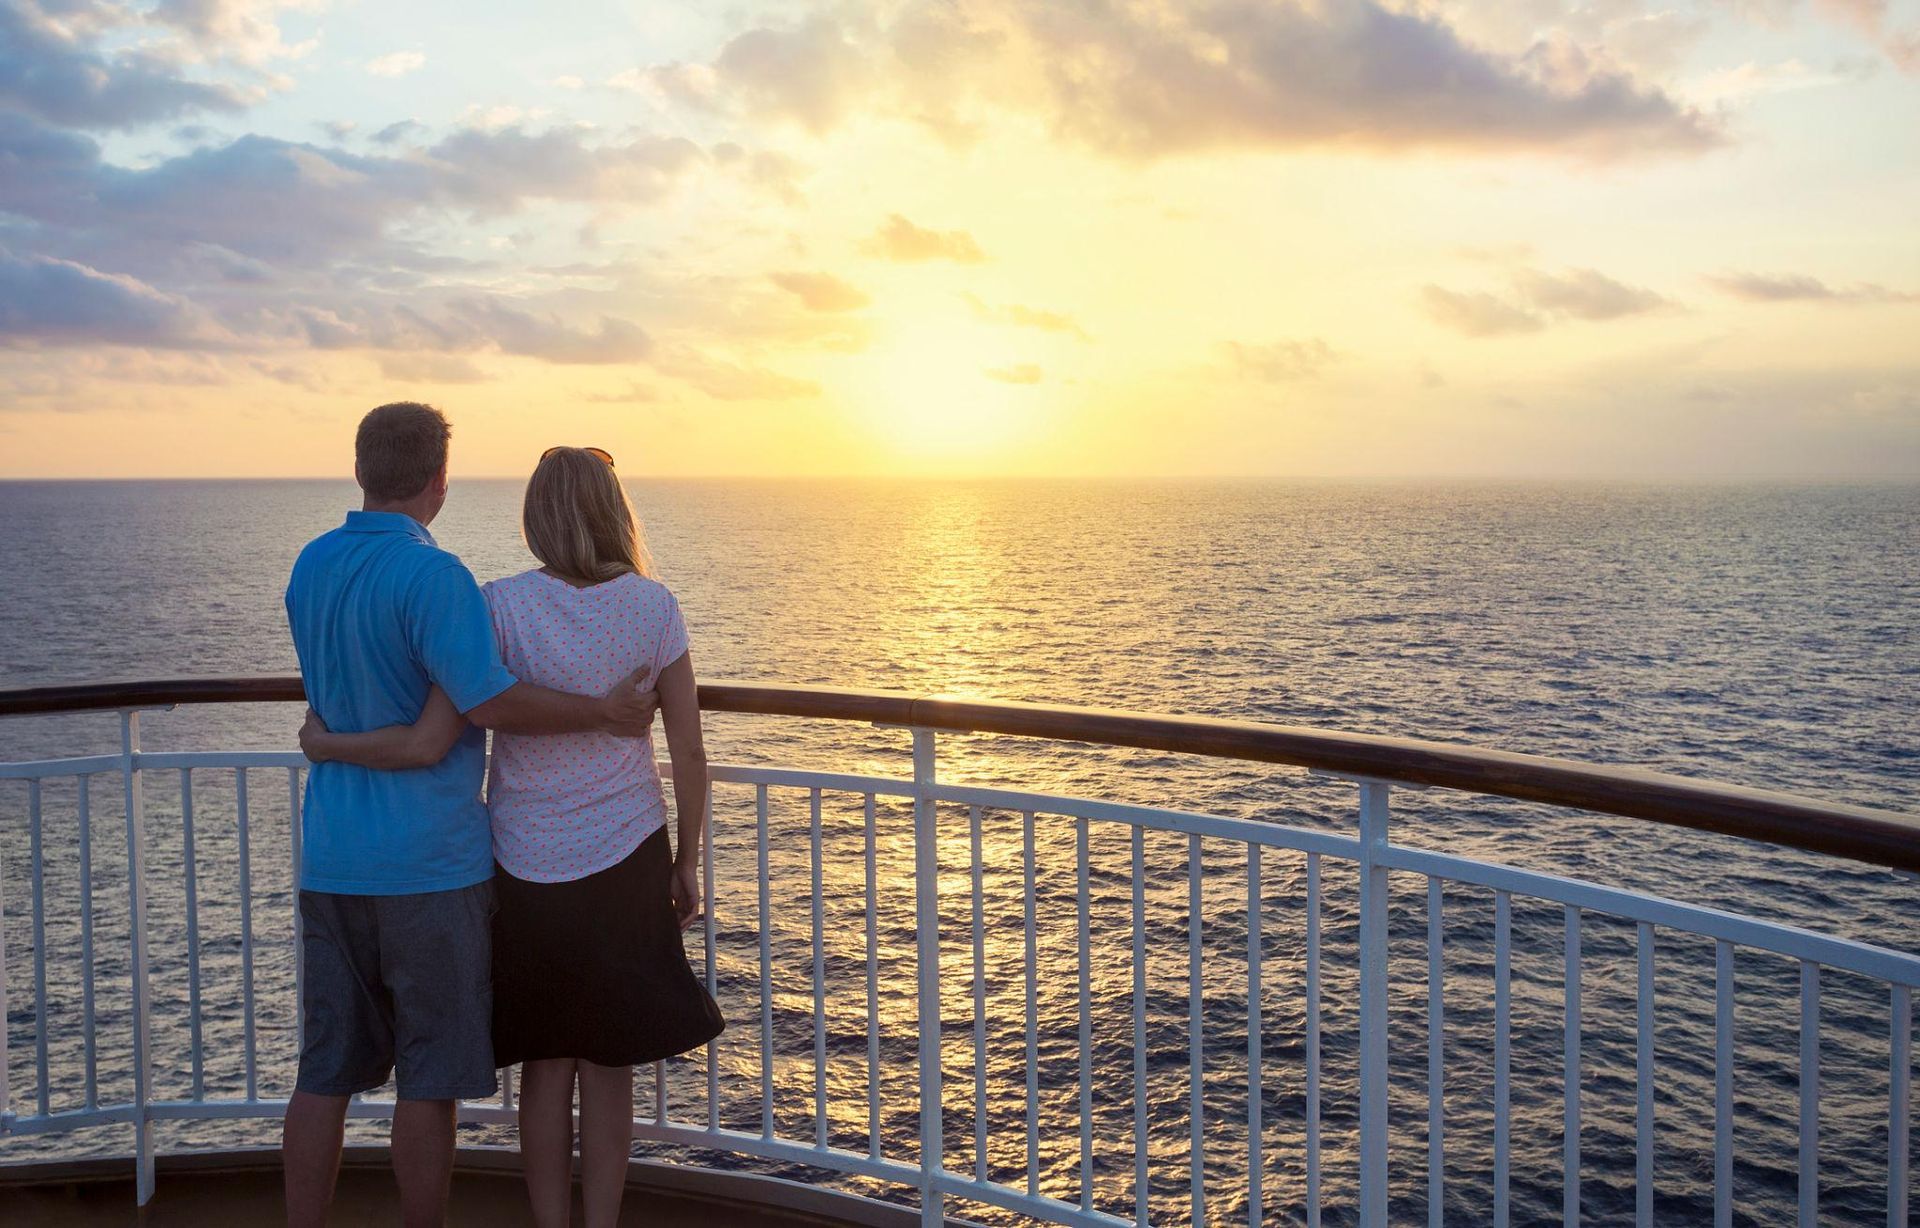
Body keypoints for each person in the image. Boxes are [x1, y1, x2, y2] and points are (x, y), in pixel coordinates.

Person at [300, 444, 723, 1228]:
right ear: (613, 511)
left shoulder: (497, 605)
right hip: (629, 851)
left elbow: (465, 709)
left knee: (545, 1061)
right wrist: (689, 859)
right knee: (609, 1063)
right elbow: (691, 749)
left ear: (537, 516)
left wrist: (330, 740)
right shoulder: (654, 606)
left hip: (523, 857)